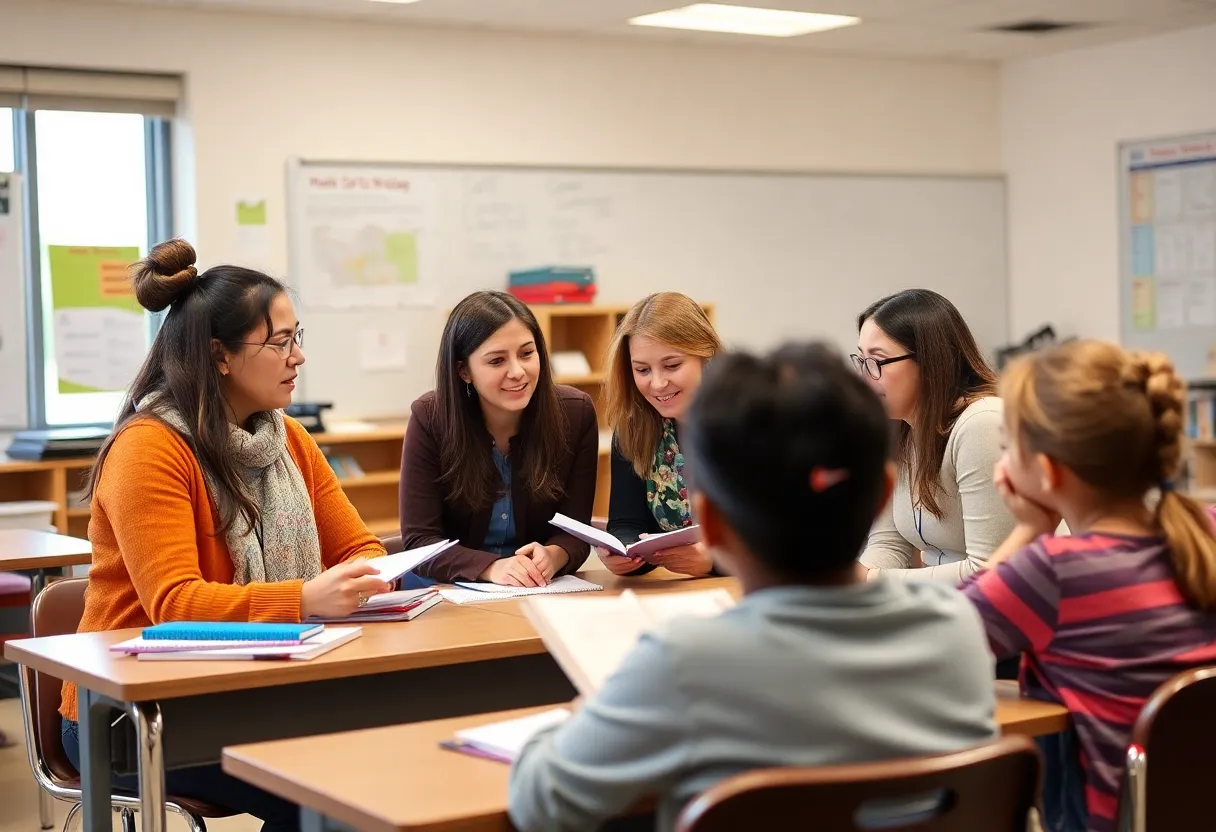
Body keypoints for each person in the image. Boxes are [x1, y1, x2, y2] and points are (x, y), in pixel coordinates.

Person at [508, 343, 998, 832]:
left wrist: (581, 712)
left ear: (709, 525)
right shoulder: (954, 631)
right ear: (882, 496)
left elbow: (541, 803)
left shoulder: (684, 663)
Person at [61, 240, 392, 832]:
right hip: (131, 711)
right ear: (219, 356)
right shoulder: (150, 448)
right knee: (336, 791)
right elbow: (174, 606)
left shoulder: (287, 440)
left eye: (297, 337)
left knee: (372, 768)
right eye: (280, 342)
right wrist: (303, 599)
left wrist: (348, 582)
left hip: (251, 687)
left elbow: (361, 550)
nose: (299, 357)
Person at [960, 340, 1216, 832]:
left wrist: (1028, 530)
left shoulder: (1052, 573)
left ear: (1048, 471)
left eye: (1008, 448)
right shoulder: (1204, 532)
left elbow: (939, 640)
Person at [399, 291, 598, 585]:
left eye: (527, 354)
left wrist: (554, 556)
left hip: (540, 590)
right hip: (453, 594)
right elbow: (419, 541)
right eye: (496, 361)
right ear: (464, 370)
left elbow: (577, 530)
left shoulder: (576, 414)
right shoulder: (430, 418)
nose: (517, 372)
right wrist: (491, 568)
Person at [855, 289, 1016, 582]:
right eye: (861, 360)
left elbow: (989, 570)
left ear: (929, 361)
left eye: (877, 361)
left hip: (1006, 611)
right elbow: (889, 543)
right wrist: (849, 586)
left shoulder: (983, 424)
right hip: (948, 607)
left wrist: (865, 582)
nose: (866, 377)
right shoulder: (900, 427)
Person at [599, 292, 722, 577]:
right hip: (675, 593)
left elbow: (785, 537)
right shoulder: (633, 429)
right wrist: (624, 553)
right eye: (642, 369)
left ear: (706, 356)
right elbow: (627, 522)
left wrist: (715, 562)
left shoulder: (751, 424)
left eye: (672, 365)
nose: (657, 383)